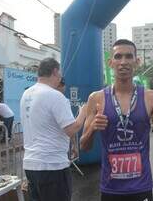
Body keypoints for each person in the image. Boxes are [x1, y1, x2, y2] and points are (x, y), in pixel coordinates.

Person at [80, 39, 153, 201]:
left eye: (129, 57)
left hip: (141, 186)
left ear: (137, 61)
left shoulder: (151, 97)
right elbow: (84, 146)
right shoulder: (97, 98)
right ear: (110, 62)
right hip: (110, 189)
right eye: (118, 56)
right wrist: (92, 128)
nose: (123, 62)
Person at [20, 57, 87, 201]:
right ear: (55, 72)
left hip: (30, 165)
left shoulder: (26, 94)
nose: (60, 79)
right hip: (52, 165)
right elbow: (71, 129)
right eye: (60, 75)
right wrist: (83, 112)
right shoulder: (55, 96)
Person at [56, 78, 78, 159]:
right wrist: (74, 145)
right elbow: (70, 128)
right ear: (62, 86)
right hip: (58, 153)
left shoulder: (42, 97)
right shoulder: (62, 100)